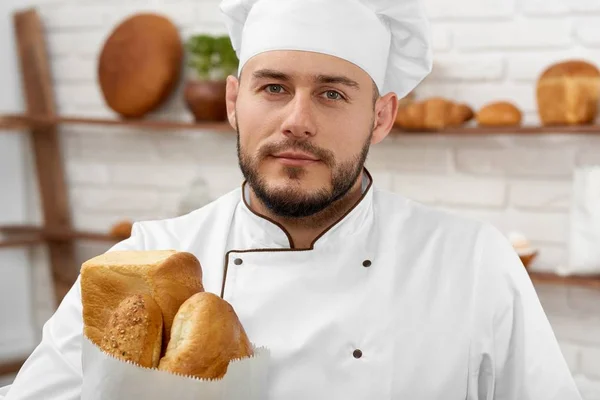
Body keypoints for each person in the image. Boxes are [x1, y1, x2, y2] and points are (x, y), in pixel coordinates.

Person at [0, 0, 582, 398]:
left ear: (381, 117)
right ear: (233, 102)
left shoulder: (473, 263)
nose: (296, 121)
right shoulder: (147, 259)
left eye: (332, 93)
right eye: (273, 88)